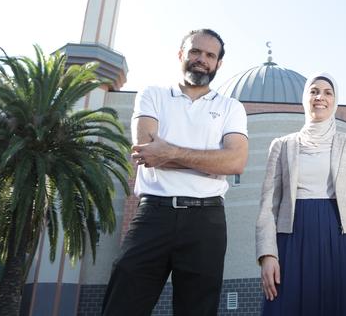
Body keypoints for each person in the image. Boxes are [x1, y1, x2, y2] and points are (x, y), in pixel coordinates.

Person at [101, 29, 249, 316]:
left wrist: (169, 152)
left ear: (218, 64)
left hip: (206, 221)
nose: (201, 60)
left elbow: (235, 163)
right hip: (154, 215)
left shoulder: (231, 107)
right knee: (121, 305)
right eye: (195, 52)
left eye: (210, 55)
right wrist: (209, 162)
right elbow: (146, 153)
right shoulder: (153, 95)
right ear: (182, 54)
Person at [256, 73, 346, 316]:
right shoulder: (282, 145)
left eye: (327, 92)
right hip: (292, 241)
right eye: (313, 91)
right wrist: (267, 254)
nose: (320, 97)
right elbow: (268, 206)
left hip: (342, 240)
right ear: (304, 98)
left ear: (335, 100)